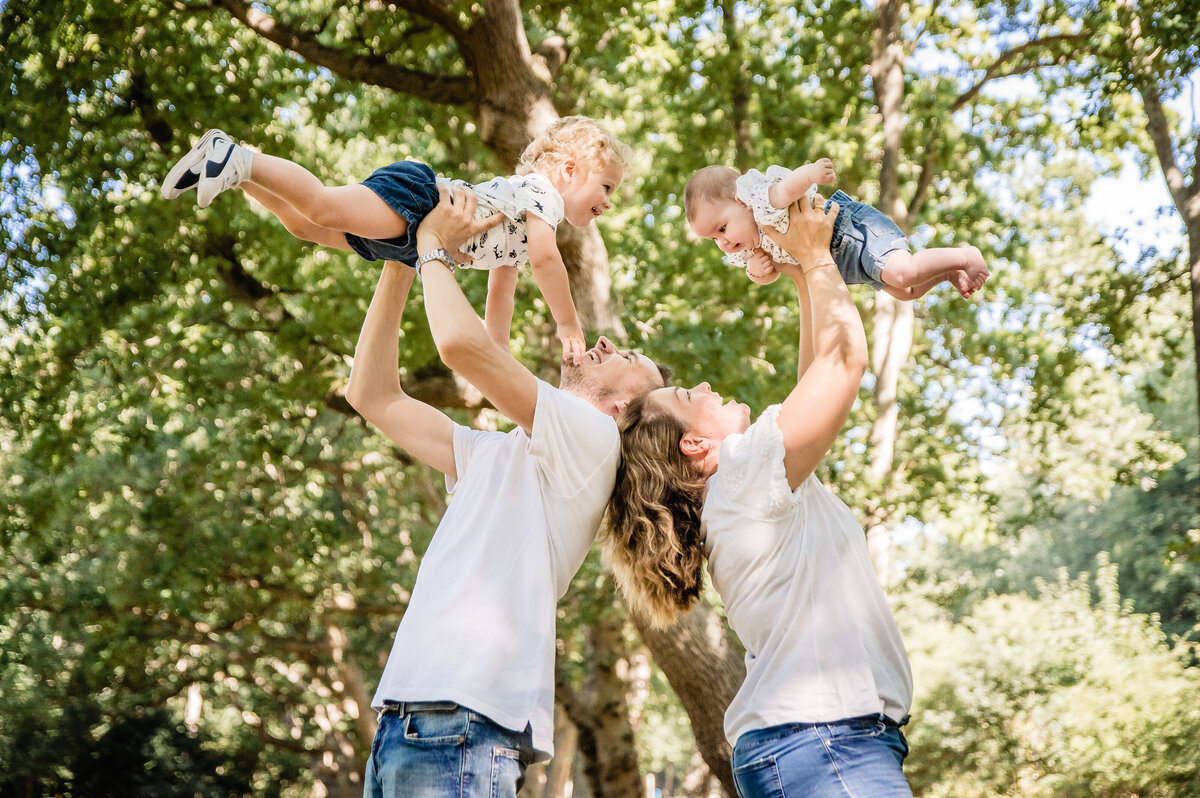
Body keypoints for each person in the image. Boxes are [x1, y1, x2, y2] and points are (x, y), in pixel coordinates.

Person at [344, 184, 667, 797]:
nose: (601, 343)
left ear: (623, 406)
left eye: (621, 353)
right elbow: (373, 395)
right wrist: (398, 258)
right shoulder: (499, 456)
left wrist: (433, 247)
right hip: (403, 723)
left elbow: (463, 348)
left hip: (468, 727)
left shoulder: (597, 443)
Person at [604, 195, 915, 797]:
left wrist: (803, 272)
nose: (701, 384)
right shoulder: (741, 476)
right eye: (689, 395)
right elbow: (844, 364)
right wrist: (818, 258)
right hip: (825, 741)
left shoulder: (743, 488)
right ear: (696, 444)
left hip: (814, 743)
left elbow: (816, 377)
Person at [161, 117, 631, 363]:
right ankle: (236, 156)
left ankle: (235, 174)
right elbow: (550, 264)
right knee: (322, 206)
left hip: (412, 240)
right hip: (420, 200)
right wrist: (568, 326)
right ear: (569, 171)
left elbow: (501, 286)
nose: (608, 202)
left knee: (305, 227)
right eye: (606, 186)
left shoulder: (522, 234)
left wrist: (498, 351)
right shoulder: (542, 197)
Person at [685, 159, 988, 299]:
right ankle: (947, 272)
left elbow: (787, 189)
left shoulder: (762, 203)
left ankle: (963, 255)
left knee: (904, 272)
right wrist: (757, 271)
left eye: (722, 228)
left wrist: (810, 173)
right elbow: (775, 272)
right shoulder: (752, 244)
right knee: (906, 292)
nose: (723, 242)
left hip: (851, 230)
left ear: (741, 201)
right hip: (837, 262)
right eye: (714, 238)